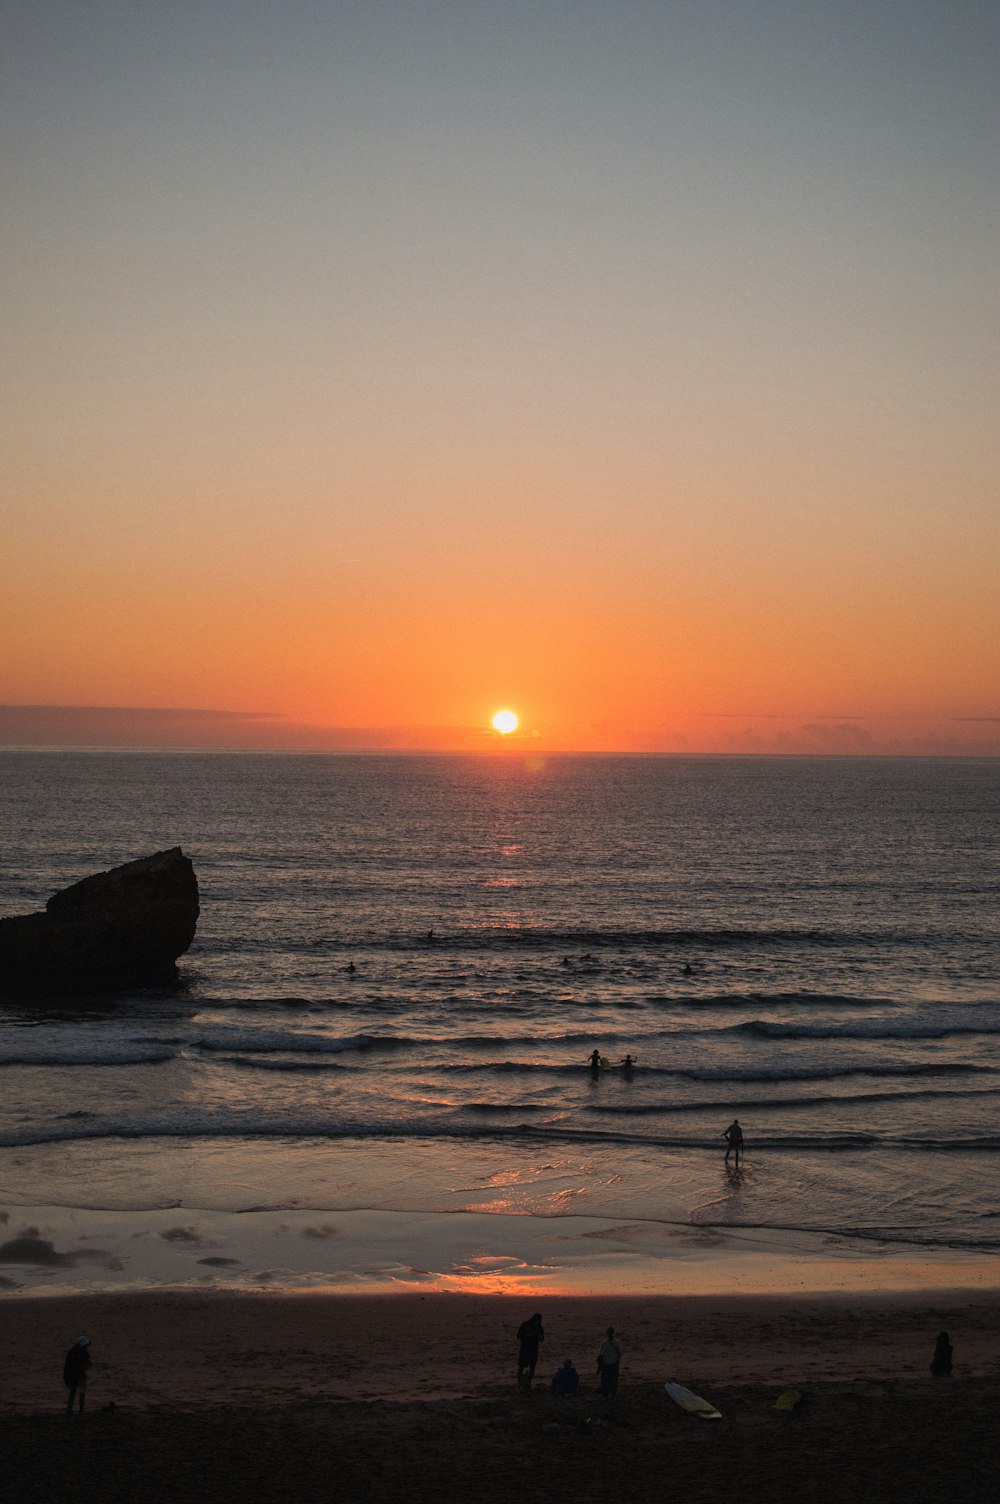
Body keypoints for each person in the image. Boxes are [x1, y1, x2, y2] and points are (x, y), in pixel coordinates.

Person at [63, 1336, 91, 1416]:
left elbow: (67, 1366)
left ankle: (69, 1410)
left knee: (72, 1393)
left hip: (71, 1376)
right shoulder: (85, 1353)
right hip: (81, 1376)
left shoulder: (70, 1352)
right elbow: (87, 1365)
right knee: (82, 1393)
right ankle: (81, 1410)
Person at [516, 1312, 544, 1389]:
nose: (538, 1322)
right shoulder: (525, 1325)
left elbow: (542, 1338)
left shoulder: (539, 1327)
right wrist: (527, 1336)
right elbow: (518, 1336)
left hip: (534, 1350)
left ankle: (528, 1383)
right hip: (524, 1350)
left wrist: (539, 1337)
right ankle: (519, 1383)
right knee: (521, 1367)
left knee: (532, 1367)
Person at [597, 1326, 623, 1397]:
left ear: (607, 1333)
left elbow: (601, 1354)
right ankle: (613, 1392)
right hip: (614, 1363)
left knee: (605, 1379)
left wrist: (599, 1366)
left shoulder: (604, 1342)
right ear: (613, 1333)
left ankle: (606, 1392)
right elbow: (620, 1352)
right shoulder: (617, 1342)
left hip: (606, 1364)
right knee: (614, 1379)